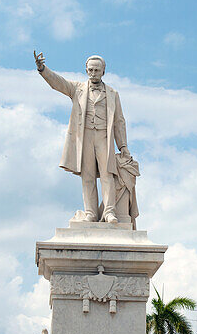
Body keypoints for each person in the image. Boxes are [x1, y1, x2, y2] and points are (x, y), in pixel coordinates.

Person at [34, 51, 133, 224]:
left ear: (103, 71)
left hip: (104, 136)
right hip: (85, 135)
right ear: (86, 70)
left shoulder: (112, 93)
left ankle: (110, 212)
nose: (93, 73)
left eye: (97, 70)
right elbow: (58, 83)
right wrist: (42, 69)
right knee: (87, 176)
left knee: (107, 174)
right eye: (91, 70)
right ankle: (90, 213)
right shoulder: (77, 88)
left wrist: (123, 146)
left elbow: (119, 121)